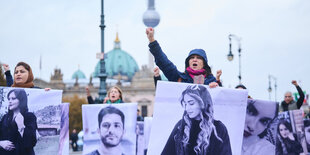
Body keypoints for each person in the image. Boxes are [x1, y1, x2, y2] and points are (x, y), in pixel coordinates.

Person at [162, 85, 231, 155]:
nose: (187, 108)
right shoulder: (181, 125)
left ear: (203, 103)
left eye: (191, 103)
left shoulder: (218, 128)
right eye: (185, 104)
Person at [146, 27, 218, 87]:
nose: (194, 60)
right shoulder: (179, 78)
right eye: (192, 58)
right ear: (188, 62)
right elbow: (164, 62)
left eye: (198, 58)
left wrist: (216, 87)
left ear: (204, 63)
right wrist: (151, 39)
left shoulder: (211, 81)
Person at [0, 89, 37, 155]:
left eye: (13, 98)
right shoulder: (5, 117)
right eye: (9, 99)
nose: (10, 101)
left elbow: (31, 142)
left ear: (21, 100)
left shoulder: (29, 116)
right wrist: (1, 143)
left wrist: (21, 126)